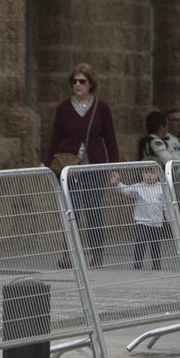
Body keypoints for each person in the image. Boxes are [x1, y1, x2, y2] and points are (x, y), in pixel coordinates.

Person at [46, 63, 120, 267]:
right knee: (73, 209)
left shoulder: (101, 108)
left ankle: (96, 252)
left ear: (90, 84)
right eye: (75, 81)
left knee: (93, 209)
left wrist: (114, 168)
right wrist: (47, 165)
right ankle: (69, 252)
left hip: (95, 166)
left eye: (82, 81)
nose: (78, 85)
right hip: (70, 167)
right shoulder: (64, 108)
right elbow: (54, 137)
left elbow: (111, 140)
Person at [109, 167, 172, 270]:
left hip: (157, 222)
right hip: (141, 221)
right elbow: (125, 190)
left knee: (155, 245)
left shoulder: (162, 188)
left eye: (152, 173)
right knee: (140, 243)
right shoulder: (138, 187)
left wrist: (169, 220)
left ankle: (156, 265)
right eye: (146, 172)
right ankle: (137, 264)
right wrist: (117, 183)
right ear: (142, 174)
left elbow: (166, 205)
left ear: (158, 175)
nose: (149, 175)